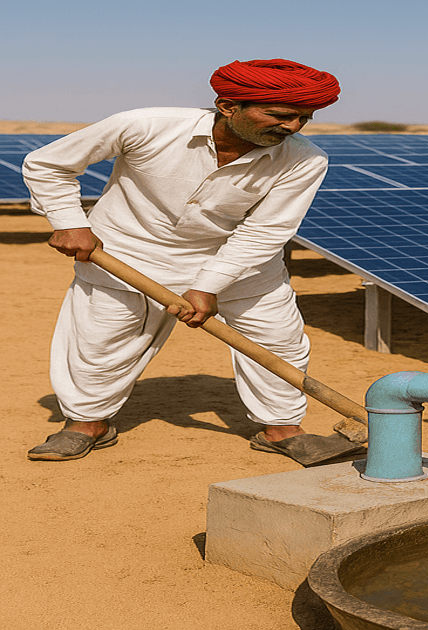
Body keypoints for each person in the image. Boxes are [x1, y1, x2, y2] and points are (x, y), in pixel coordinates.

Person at [23, 58, 359, 465]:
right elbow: (48, 165)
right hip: (126, 254)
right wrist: (69, 221)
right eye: (280, 115)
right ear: (227, 105)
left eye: (304, 118)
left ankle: (282, 430)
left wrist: (208, 284)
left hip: (240, 264)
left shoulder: (305, 160)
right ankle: (86, 423)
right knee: (100, 342)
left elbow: (265, 232)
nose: (292, 127)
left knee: (278, 341)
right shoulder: (145, 125)